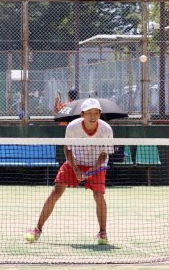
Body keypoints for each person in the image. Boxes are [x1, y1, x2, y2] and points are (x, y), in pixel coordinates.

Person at [25, 98, 114, 245]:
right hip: (75, 161)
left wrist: (93, 169)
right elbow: (67, 149)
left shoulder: (106, 130)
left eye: (96, 113)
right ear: (82, 114)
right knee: (56, 191)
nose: (93, 116)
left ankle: (102, 233)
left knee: (99, 195)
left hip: (97, 164)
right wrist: (76, 169)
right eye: (89, 113)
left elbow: (105, 154)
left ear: (99, 114)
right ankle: (37, 229)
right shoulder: (72, 127)